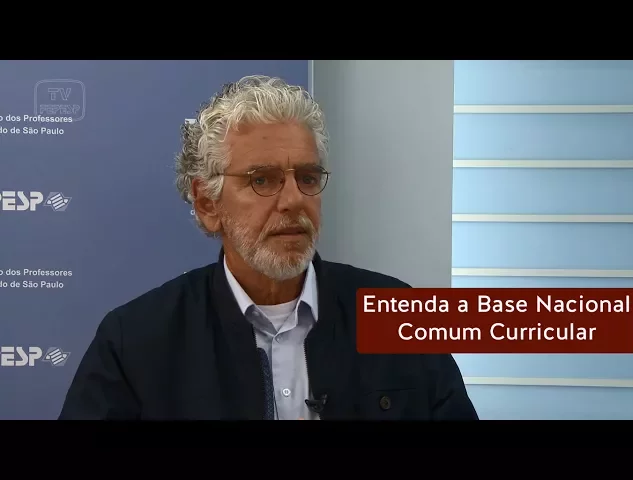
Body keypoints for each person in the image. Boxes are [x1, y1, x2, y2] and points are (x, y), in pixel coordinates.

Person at [58, 75, 478, 420]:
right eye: (262, 179)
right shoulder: (135, 342)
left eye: (308, 178)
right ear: (207, 204)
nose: (294, 199)